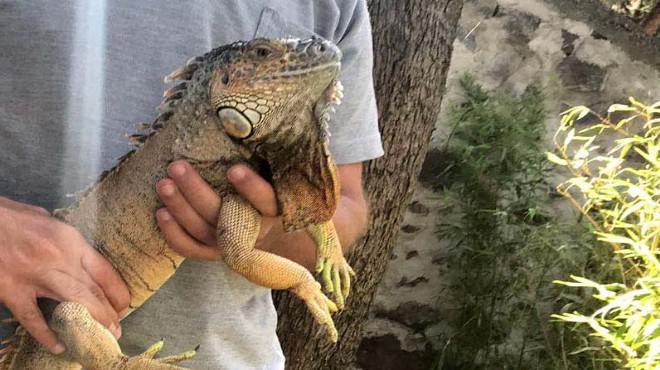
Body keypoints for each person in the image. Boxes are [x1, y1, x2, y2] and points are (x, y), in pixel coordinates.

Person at [0, 1, 383, 368]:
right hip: (55, 337)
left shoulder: (337, 8)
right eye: (265, 55)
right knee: (70, 317)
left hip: (231, 358)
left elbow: (337, 203)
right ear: (224, 79)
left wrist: (288, 234)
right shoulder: (206, 156)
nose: (308, 54)